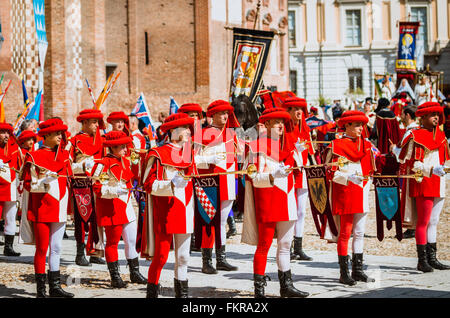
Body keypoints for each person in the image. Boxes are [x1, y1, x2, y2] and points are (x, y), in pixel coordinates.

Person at [242, 107, 309, 298]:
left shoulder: (289, 146)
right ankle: (259, 289)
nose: (281, 125)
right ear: (267, 124)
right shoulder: (256, 147)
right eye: (276, 122)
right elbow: (251, 176)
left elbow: (298, 171)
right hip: (268, 201)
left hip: (287, 199)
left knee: (286, 244)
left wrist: (298, 157)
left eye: (282, 121)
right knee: (263, 245)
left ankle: (286, 286)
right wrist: (272, 174)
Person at [141, 113, 196, 298]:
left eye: (190, 127)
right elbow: (148, 185)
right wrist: (171, 184)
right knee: (162, 256)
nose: (189, 131)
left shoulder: (189, 153)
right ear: (173, 131)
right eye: (185, 128)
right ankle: (152, 293)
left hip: (186, 208)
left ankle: (183, 296)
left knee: (184, 257)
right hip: (166, 209)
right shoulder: (158, 153)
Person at [20, 118, 74, 298]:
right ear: (47, 135)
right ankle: (41, 290)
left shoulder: (65, 155)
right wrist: (45, 181)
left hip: (59, 205)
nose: (61, 136)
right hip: (42, 207)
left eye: (61, 133)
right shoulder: (34, 156)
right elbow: (28, 185)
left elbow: (69, 179)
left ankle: (55, 287)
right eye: (57, 133)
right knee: (42, 248)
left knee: (57, 246)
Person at [395, 102, 450, 272]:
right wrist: (433, 169)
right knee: (423, 222)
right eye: (433, 115)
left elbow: (444, 159)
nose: (436, 118)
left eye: (437, 115)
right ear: (423, 117)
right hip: (424, 181)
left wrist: (442, 169)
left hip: (439, 181)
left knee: (434, 222)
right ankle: (422, 260)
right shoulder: (415, 135)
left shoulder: (441, 136)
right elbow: (414, 165)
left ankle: (432, 258)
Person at [324, 110, 376, 285]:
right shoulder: (337, 145)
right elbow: (330, 172)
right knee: (345, 233)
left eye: (362, 125)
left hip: (361, 191)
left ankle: (358, 270)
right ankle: (343, 273)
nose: (361, 128)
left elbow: (370, 169)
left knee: (360, 232)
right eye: (357, 125)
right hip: (346, 193)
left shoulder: (367, 145)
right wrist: (347, 177)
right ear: (346, 125)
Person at [92, 131, 147, 288]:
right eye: (123, 146)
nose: (126, 149)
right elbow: (97, 187)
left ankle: (134, 272)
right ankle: (115, 276)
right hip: (112, 207)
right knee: (113, 243)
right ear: (113, 147)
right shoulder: (102, 164)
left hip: (126, 205)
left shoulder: (125, 161)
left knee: (130, 240)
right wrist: (115, 190)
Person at [194, 100, 240, 274]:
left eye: (227, 113)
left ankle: (221, 258)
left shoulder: (231, 134)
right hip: (210, 183)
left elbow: (239, 156)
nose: (225, 116)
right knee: (209, 221)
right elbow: (193, 159)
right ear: (212, 115)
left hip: (228, 181)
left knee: (221, 222)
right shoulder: (202, 134)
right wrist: (209, 160)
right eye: (222, 113)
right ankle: (207, 261)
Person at [67, 109, 106, 266]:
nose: (97, 125)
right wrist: (82, 166)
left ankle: (95, 251)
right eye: (94, 122)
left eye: (97, 122)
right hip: (80, 185)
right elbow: (68, 165)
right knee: (81, 220)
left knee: (97, 220)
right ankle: (79, 253)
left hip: (97, 183)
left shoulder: (101, 141)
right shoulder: (74, 141)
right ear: (84, 123)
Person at [282, 97, 313, 261]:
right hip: (289, 173)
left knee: (301, 211)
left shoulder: (306, 129)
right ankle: (287, 246)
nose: (299, 112)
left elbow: (310, 152)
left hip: (302, 173)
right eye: (295, 109)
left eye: (301, 108)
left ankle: (298, 246)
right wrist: (294, 150)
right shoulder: (284, 129)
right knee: (291, 211)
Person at [390, 105, 418, 239]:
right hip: (414, 168)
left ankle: (412, 226)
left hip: (410, 168)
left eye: (402, 114)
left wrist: (393, 149)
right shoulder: (415, 130)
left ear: (407, 115)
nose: (400, 116)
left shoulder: (410, 132)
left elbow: (404, 154)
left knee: (409, 198)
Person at [0, 121, 22, 257]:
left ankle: (8, 247)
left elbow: (20, 167)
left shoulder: (14, 148)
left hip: (11, 187)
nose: (6, 135)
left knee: (10, 218)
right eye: (3, 132)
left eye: (8, 132)